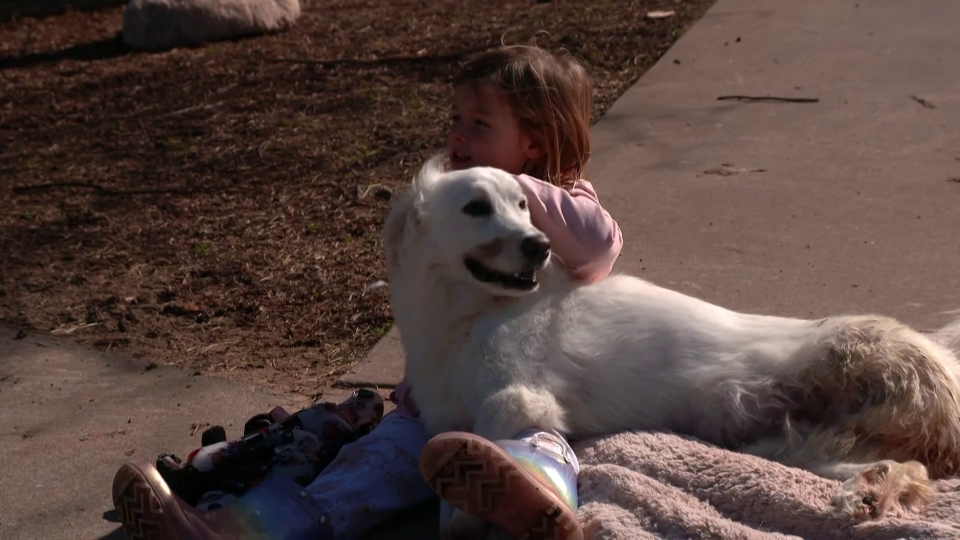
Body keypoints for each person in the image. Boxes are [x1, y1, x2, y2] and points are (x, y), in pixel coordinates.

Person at [111, 44, 623, 540]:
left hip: (527, 398)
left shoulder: (564, 203)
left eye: (479, 123)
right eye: (455, 118)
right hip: (434, 409)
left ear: (533, 142)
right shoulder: (452, 206)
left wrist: (509, 187)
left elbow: (599, 246)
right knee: (363, 468)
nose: (457, 135)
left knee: (543, 447)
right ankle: (231, 532)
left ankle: (542, 508)